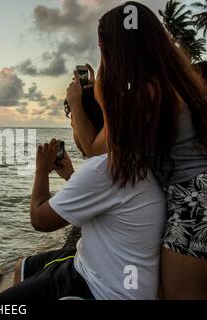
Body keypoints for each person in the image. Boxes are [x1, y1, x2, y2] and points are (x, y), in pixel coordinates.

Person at [66, 1, 207, 299]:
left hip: (192, 205)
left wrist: (79, 103)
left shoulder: (146, 95)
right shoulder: (173, 84)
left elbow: (95, 150)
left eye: (104, 47)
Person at [0, 86, 166, 300]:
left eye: (73, 125)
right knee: (24, 267)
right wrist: (70, 176)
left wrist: (41, 171)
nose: (74, 133)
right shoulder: (128, 159)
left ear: (87, 125)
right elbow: (107, 200)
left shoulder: (102, 168)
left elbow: (40, 220)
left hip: (105, 289)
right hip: (108, 270)